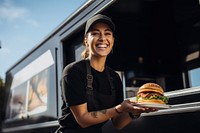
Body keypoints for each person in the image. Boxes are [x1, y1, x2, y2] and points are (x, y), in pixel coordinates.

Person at [56, 14, 155, 133]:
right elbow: (83, 119)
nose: (102, 38)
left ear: (112, 41)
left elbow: (118, 123)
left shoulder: (114, 77)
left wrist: (134, 113)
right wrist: (119, 108)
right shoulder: (73, 71)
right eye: (95, 33)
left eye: (107, 33)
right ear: (86, 41)